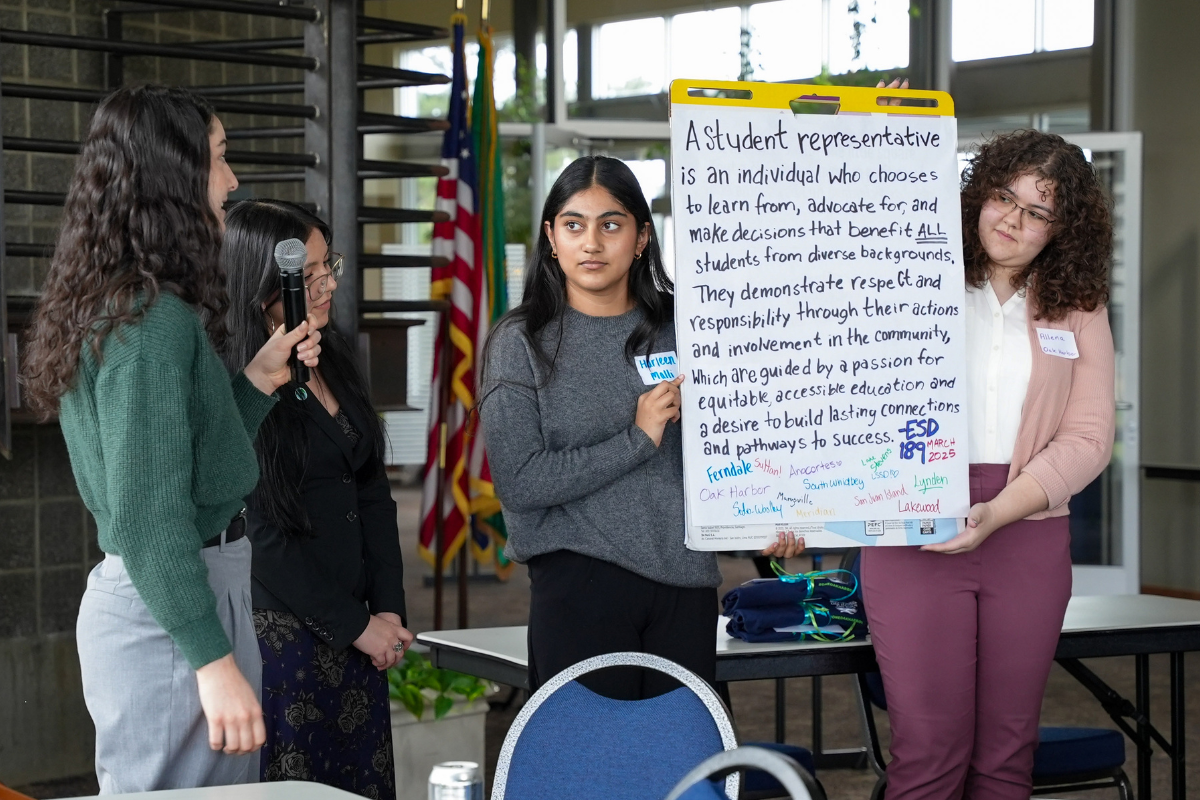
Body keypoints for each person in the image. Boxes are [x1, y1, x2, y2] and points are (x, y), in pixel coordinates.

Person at [22, 86, 322, 791]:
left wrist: (256, 380)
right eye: (219, 158)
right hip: (173, 605)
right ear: (174, 175)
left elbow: (190, 472)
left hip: (187, 590)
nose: (232, 182)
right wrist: (212, 662)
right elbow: (149, 518)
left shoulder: (132, 303)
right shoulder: (152, 322)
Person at [479, 156, 800, 700]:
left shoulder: (693, 329)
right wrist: (637, 439)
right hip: (579, 587)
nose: (592, 243)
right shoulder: (521, 341)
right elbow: (521, 482)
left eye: (611, 224)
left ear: (642, 237)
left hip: (685, 585)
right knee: (594, 753)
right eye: (574, 225)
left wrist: (770, 517)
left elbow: (742, 446)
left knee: (684, 751)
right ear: (551, 238)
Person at [860, 129, 1115, 800]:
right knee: (928, 751)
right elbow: (842, 235)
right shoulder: (912, 275)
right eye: (1004, 197)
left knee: (1007, 753)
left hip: (1028, 527)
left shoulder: (1079, 307)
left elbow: (1090, 436)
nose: (1012, 220)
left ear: (1061, 229)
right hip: (914, 525)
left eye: (1038, 211)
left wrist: (999, 511)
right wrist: (873, 140)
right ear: (978, 194)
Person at [220, 199, 412, 799]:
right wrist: (354, 625)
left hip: (359, 628)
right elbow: (259, 531)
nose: (326, 285)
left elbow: (372, 489)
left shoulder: (333, 349)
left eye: (329, 267)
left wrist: (387, 610)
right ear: (260, 290)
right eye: (307, 277)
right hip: (286, 640)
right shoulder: (237, 380)